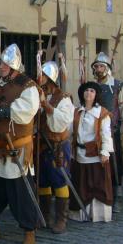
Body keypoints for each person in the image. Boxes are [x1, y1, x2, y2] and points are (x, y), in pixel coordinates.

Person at [0, 43, 41, 244]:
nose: (2, 67)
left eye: (6, 64)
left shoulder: (28, 86)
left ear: (15, 66)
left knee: (20, 193)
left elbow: (25, 111)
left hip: (15, 149)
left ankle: (29, 230)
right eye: (1, 64)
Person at [90, 52, 123, 212]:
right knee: (97, 165)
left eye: (101, 66)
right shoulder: (92, 86)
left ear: (107, 68)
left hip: (112, 132)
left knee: (114, 165)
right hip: (94, 132)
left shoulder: (118, 86)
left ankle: (116, 196)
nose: (98, 69)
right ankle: (99, 196)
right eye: (96, 66)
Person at [35, 61, 74, 233]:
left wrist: (46, 106)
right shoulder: (39, 94)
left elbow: (62, 121)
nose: (40, 78)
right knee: (43, 181)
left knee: (59, 181)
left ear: (50, 77)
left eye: (43, 75)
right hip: (42, 145)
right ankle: (45, 215)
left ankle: (61, 219)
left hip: (57, 146)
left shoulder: (63, 98)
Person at [69, 82, 114, 222]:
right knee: (81, 184)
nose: (88, 93)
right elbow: (70, 132)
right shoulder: (77, 112)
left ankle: (97, 215)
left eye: (92, 91)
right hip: (79, 155)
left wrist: (105, 152)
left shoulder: (102, 113)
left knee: (96, 185)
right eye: (86, 90)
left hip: (95, 155)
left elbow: (106, 134)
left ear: (96, 95)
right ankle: (80, 214)